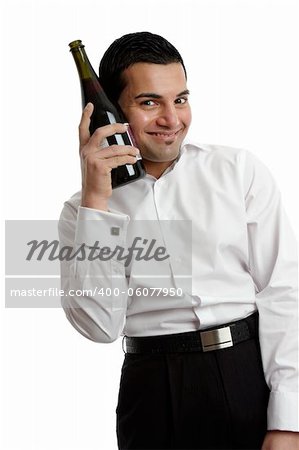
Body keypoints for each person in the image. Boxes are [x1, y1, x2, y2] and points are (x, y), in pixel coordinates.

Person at [59, 32, 298, 449]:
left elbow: (284, 292)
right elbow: (99, 328)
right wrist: (97, 202)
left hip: (245, 377)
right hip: (148, 393)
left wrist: (288, 421)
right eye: (150, 102)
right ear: (110, 111)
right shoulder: (81, 213)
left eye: (181, 99)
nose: (172, 119)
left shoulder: (238, 170)